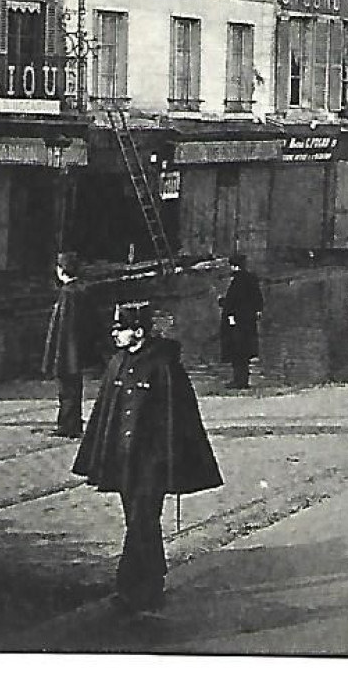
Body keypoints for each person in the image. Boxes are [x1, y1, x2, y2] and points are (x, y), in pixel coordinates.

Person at [73, 301, 223, 614]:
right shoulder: (117, 363)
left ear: (138, 332)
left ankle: (130, 587)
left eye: (121, 329)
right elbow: (107, 414)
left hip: (151, 462)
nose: (115, 334)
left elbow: (177, 417)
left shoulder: (164, 367)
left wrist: (169, 459)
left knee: (142, 519)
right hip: (123, 460)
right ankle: (154, 579)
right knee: (138, 521)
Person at [42, 252, 104, 438]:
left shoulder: (67, 294)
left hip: (66, 350)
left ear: (61, 271)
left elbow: (62, 328)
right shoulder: (83, 291)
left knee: (66, 388)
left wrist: (54, 353)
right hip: (77, 348)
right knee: (73, 387)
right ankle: (72, 423)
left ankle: (68, 425)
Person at [218, 253, 264, 389]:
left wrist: (222, 302)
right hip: (248, 321)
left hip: (237, 322)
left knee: (237, 352)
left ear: (233, 266)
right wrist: (257, 312)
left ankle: (239, 381)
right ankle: (243, 380)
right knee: (245, 352)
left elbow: (233, 302)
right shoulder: (251, 279)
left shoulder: (237, 281)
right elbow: (258, 299)